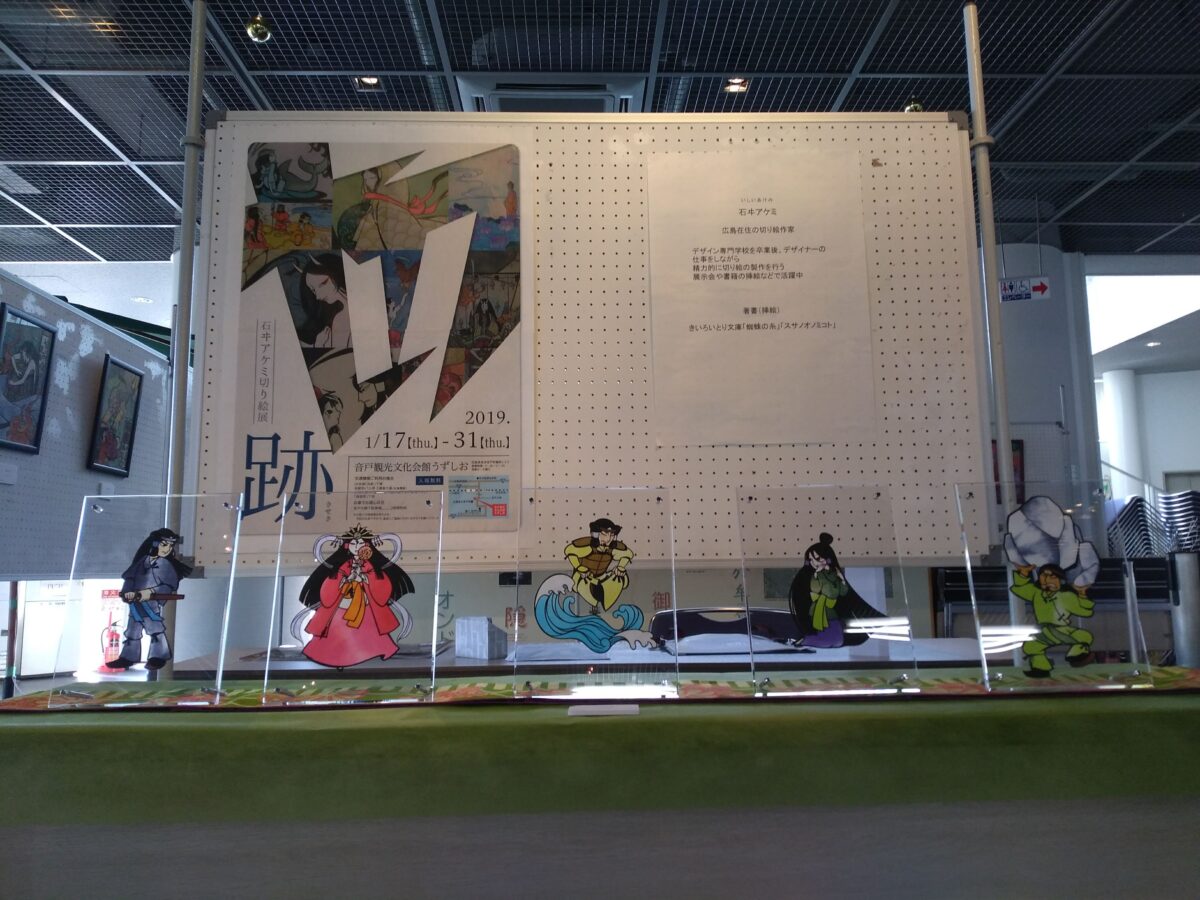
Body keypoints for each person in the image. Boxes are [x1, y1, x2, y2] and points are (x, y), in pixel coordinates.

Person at [299, 525, 415, 668]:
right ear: (347, 546)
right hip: (343, 604)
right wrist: (346, 580)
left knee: (370, 634)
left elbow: (380, 581)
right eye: (353, 543)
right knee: (336, 635)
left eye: (360, 543)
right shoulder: (343, 565)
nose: (357, 546)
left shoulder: (369, 565)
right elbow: (332, 582)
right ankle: (337, 659)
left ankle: (370, 655)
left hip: (365, 605)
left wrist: (365, 579)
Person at [109, 528, 193, 670]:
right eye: (164, 544)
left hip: (150, 602)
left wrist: (150, 592)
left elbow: (168, 585)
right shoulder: (142, 561)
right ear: (154, 544)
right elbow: (130, 578)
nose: (167, 549)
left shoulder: (165, 564)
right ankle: (128, 657)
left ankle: (158, 656)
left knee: (154, 629)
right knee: (132, 630)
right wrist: (127, 592)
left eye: (170, 546)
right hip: (135, 602)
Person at [788, 533, 882, 648]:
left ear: (827, 559)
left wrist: (841, 580)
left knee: (830, 634)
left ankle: (815, 639)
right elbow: (816, 590)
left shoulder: (832, 575)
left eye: (817, 559)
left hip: (830, 616)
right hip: (816, 613)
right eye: (811, 559)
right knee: (822, 633)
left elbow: (837, 592)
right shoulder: (811, 577)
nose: (814, 563)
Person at [1010, 563, 1095, 677]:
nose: (1047, 579)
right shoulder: (1036, 593)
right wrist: (1023, 573)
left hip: (1062, 630)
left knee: (1085, 636)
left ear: (1061, 580)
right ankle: (1041, 668)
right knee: (1030, 646)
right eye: (1043, 575)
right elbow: (1021, 588)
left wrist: (1082, 596)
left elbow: (1084, 611)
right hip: (1044, 631)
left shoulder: (1066, 596)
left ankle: (1076, 656)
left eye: (1052, 576)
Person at [565, 518, 634, 614]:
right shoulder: (588, 547)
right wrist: (578, 567)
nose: (608, 539)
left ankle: (603, 604)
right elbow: (569, 550)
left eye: (611, 535)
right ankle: (594, 607)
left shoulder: (611, 549)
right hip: (584, 576)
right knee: (584, 584)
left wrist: (621, 566)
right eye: (604, 534)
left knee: (621, 578)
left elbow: (628, 554)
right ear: (595, 534)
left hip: (602, 577)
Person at [296, 253, 351, 349]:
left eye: (322, 284)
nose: (318, 296)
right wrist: (319, 345)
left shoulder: (342, 318)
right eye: (313, 290)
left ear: (335, 272)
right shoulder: (338, 318)